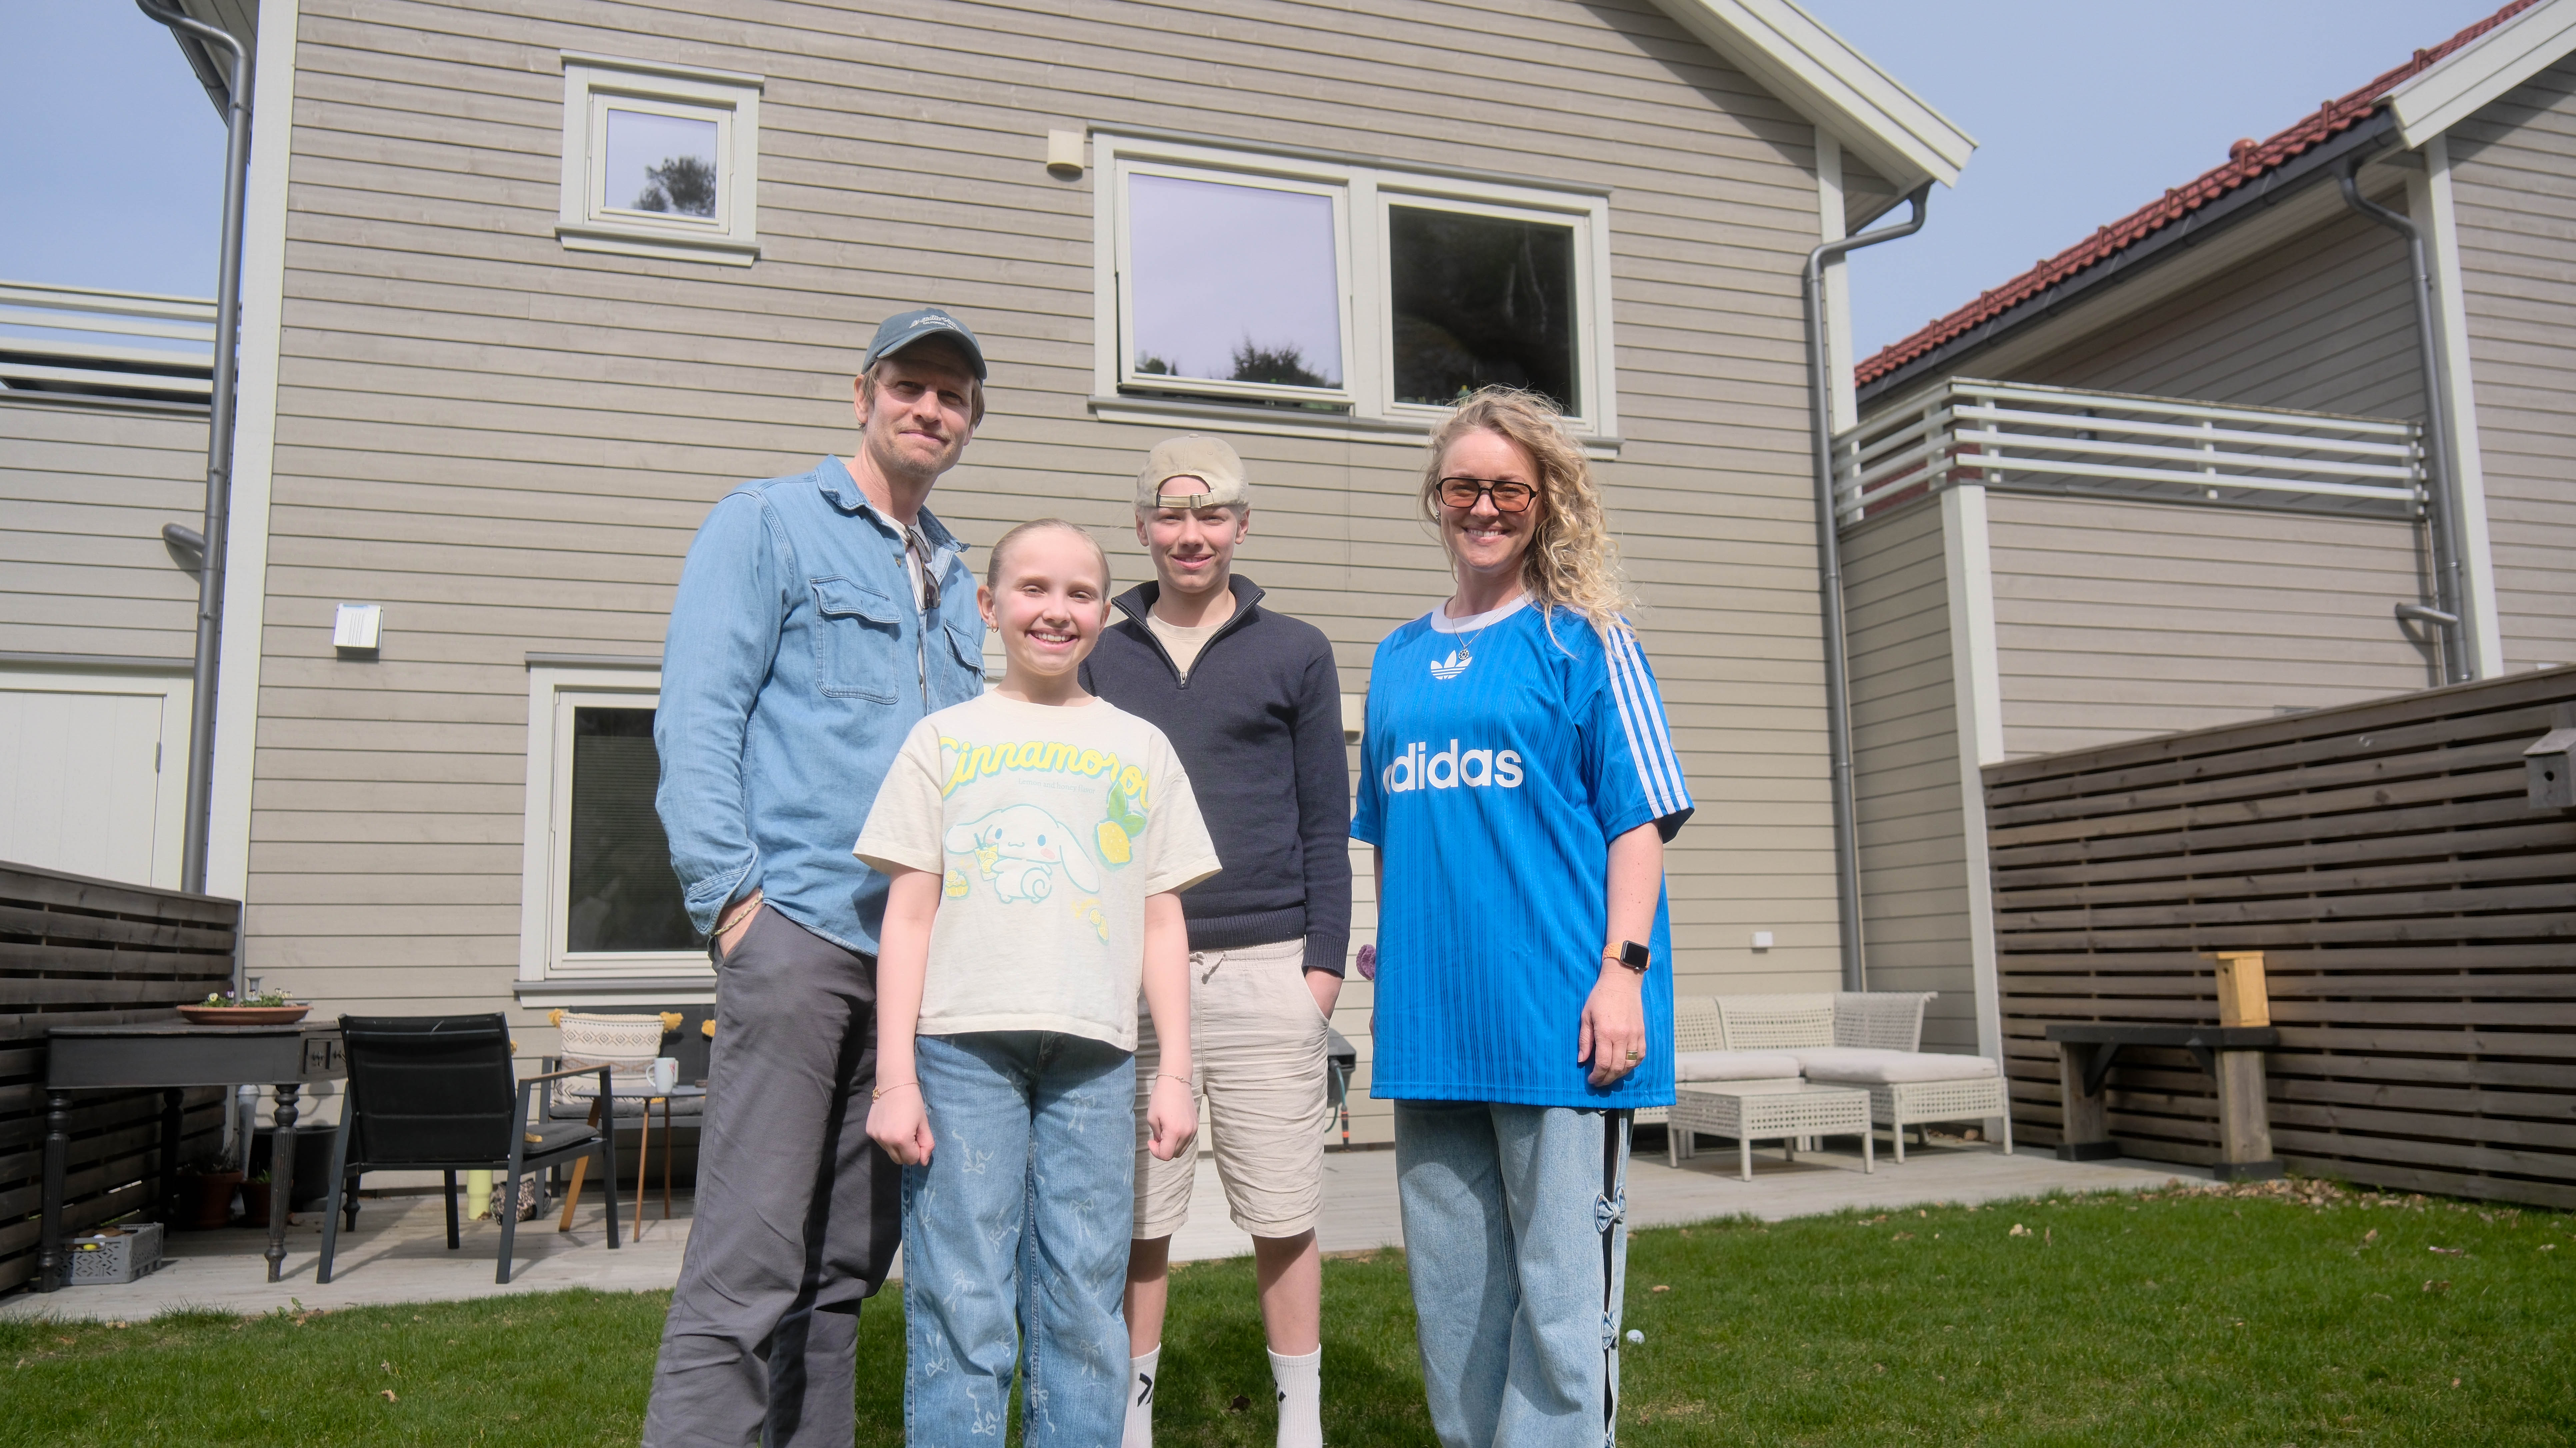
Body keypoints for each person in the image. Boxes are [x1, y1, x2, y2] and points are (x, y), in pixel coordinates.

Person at [643, 307, 992, 1446]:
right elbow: (697, 721)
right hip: (794, 931)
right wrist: (734, 907)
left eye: (953, 396)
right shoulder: (770, 524)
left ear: (970, 424)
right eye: (911, 385)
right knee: (748, 1259)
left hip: (910, 964)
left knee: (846, 1261)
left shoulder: (950, 567)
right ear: (864, 395)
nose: (930, 408)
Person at [1352, 388, 1692, 1448]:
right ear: (1436, 499)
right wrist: (1384, 950)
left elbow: (1640, 819)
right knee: (1454, 1304)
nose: (1485, 507)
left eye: (1509, 488)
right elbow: (1389, 829)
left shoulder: (1586, 641)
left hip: (1558, 1019)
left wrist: (1622, 973)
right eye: (1466, 486)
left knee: (1558, 1303)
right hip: (1432, 1027)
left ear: (1545, 502)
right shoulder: (1399, 655)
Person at [858, 518, 1220, 1448]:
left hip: (1096, 1058)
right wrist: (895, 1076)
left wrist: (1175, 1068)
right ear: (989, 605)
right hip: (959, 1050)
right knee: (963, 1297)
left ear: (1106, 613)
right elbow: (906, 915)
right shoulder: (943, 739)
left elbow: (1160, 918)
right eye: (1032, 589)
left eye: (1079, 594)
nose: (1055, 611)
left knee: (1083, 1302)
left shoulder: (1140, 748)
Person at [1079, 437, 1353, 1448]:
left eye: (1211, 516)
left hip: (1269, 967)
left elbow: (1326, 820)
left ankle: (1302, 1427)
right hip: (1128, 978)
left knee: (1282, 1216)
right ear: (1142, 526)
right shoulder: (1098, 652)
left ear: (1242, 525)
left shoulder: (1298, 652)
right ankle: (1131, 1423)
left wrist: (1320, 972)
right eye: (1169, 516)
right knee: (1138, 1224)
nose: (1190, 535)